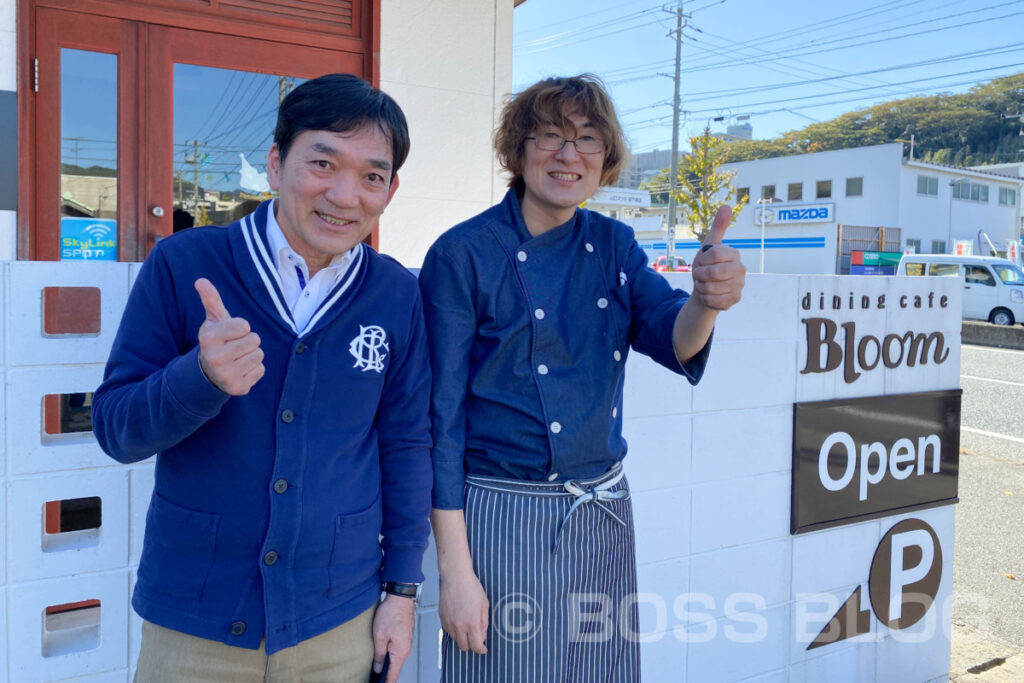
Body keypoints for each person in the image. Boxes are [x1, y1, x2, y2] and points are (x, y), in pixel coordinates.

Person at [92, 73, 431, 683]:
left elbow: (405, 446)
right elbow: (117, 429)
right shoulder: (186, 263)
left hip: (336, 617)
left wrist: (401, 591)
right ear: (276, 164)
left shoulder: (395, 293)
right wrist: (198, 377)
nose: (345, 195)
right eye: (322, 163)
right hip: (196, 616)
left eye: (372, 176)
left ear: (391, 190)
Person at [418, 74, 746, 681]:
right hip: (501, 514)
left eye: (588, 140)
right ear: (518, 151)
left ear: (606, 161)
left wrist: (706, 300)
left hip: (603, 508)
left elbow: (671, 334)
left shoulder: (614, 245)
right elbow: (439, 424)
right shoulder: (462, 254)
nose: (569, 156)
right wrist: (455, 573)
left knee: (603, 671)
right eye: (550, 136)